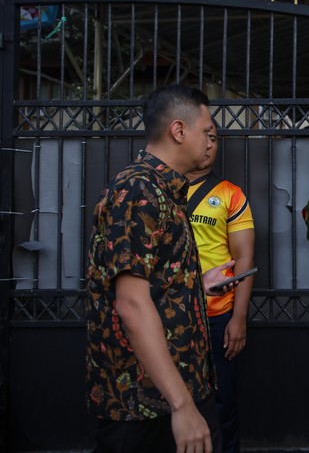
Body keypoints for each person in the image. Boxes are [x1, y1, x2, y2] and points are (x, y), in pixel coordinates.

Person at [86, 84, 239, 453]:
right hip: (146, 405)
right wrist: (182, 406)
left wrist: (196, 284)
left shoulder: (164, 191)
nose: (210, 142)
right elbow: (132, 304)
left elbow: (153, 286)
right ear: (179, 130)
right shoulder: (138, 191)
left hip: (176, 393)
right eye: (207, 132)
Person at [186, 126, 255, 453]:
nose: (210, 145)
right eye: (206, 137)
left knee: (222, 401)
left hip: (216, 316)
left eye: (215, 139)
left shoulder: (230, 194)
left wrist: (238, 318)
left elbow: (243, 258)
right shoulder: (158, 190)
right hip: (167, 317)